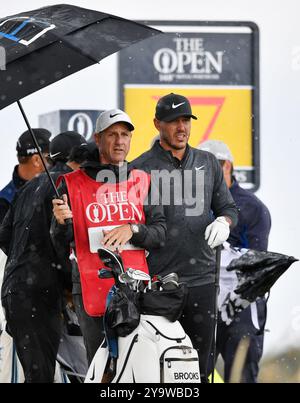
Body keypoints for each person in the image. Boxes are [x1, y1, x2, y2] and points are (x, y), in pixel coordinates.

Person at [131, 93, 238, 382]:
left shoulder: (208, 162)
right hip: (158, 285)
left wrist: (224, 221)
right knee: (158, 370)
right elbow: (132, 225)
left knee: (200, 370)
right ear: (157, 124)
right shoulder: (139, 168)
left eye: (186, 120)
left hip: (202, 281)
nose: (181, 127)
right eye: (173, 121)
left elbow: (228, 207)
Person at [51, 109, 166, 365]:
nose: (119, 141)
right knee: (99, 366)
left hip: (136, 288)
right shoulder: (70, 183)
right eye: (112, 134)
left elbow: (160, 234)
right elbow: (59, 242)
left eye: (125, 134)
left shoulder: (142, 180)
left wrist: (133, 230)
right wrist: (60, 224)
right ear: (98, 138)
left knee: (139, 365)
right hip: (91, 285)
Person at [0, 131, 89, 383]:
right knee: (41, 376)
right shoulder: (67, 184)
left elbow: (4, 236)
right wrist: (62, 278)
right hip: (40, 293)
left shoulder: (28, 186)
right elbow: (62, 243)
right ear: (78, 159)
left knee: (38, 373)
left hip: (16, 291)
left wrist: (25, 261)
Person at [198, 139, 271, 383]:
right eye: (203, 168)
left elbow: (257, 264)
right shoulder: (191, 206)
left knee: (241, 373)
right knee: (193, 373)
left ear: (228, 165)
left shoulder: (252, 207)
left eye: (216, 165)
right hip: (203, 301)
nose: (210, 173)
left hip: (242, 304)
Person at [0, 128, 51, 224]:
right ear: (36, 160)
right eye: (49, 156)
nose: (54, 162)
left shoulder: (55, 186)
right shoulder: (5, 201)